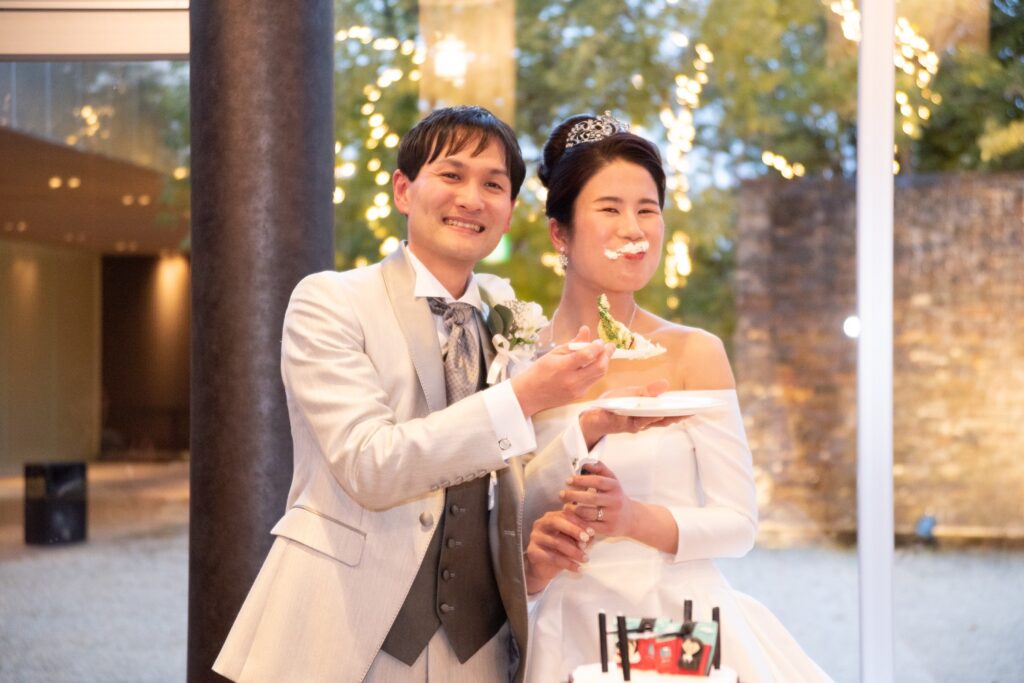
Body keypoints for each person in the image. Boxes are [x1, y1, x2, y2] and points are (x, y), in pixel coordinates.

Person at [212, 106, 618, 683]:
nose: (471, 198)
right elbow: (369, 465)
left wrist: (592, 427)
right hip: (344, 632)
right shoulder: (330, 301)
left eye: (493, 185)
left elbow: (510, 485)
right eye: (451, 175)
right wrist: (521, 397)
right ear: (404, 190)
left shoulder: (508, 316)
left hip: (477, 648)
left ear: (509, 213)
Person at [522, 113, 834, 683]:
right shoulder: (519, 364)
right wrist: (532, 567)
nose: (633, 229)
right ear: (559, 233)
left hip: (675, 624)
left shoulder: (694, 352)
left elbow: (738, 524)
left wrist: (630, 517)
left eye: (647, 210)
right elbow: (500, 525)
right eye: (610, 209)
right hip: (564, 627)